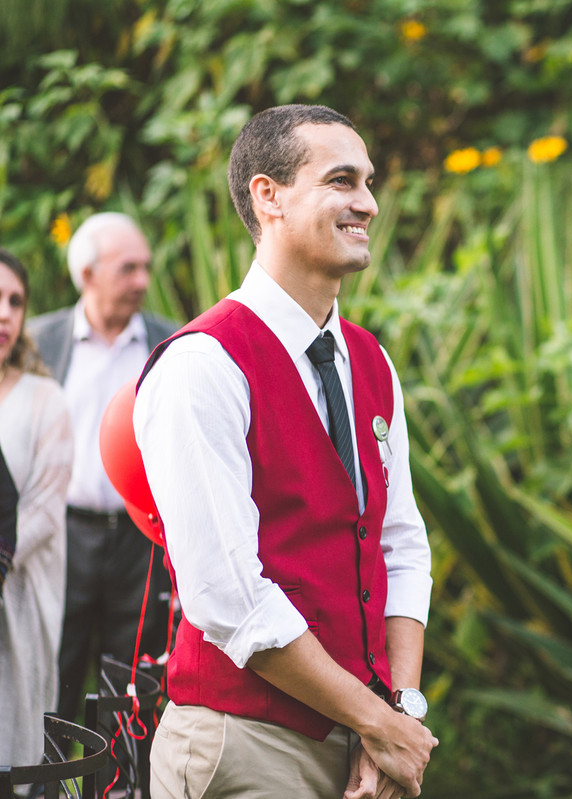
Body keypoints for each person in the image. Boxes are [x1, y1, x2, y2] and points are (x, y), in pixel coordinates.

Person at [134, 104, 436, 799]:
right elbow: (231, 599)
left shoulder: (370, 360)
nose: (368, 201)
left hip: (362, 742)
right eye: (340, 180)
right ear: (268, 197)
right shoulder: (203, 366)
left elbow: (400, 542)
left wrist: (395, 713)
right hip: (245, 745)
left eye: (367, 180)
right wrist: (379, 723)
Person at [26, 212, 178, 730]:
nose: (142, 281)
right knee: (52, 669)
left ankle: (121, 784)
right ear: (87, 275)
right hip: (63, 536)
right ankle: (36, 783)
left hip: (141, 541)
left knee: (131, 679)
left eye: (145, 268)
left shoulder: (170, 345)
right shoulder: (39, 343)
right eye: (127, 269)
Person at [0, 248, 74, 770]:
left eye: (16, 301)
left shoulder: (45, 400)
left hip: (17, 596)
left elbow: (45, 514)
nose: (5, 312)